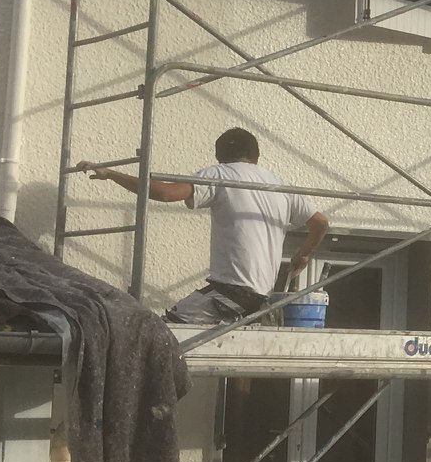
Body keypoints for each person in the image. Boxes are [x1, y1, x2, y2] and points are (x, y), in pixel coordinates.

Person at [80, 127, 328, 324]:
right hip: (262, 297)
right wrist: (304, 253)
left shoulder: (220, 174)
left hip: (230, 294)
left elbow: (166, 193)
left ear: (219, 157)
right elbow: (319, 222)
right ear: (256, 155)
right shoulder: (279, 185)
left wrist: (112, 174)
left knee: (162, 334)